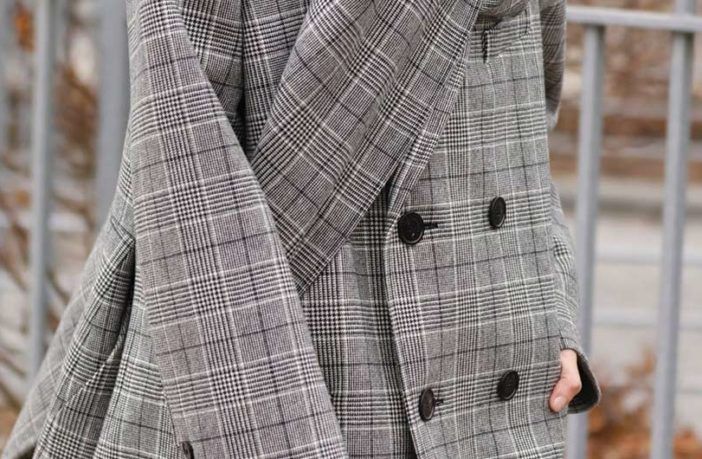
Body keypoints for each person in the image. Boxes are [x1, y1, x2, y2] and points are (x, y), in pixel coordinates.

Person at [4, 0, 601, 457]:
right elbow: (189, 193)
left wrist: (554, 311)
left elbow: (524, 123)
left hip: (499, 380)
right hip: (303, 366)